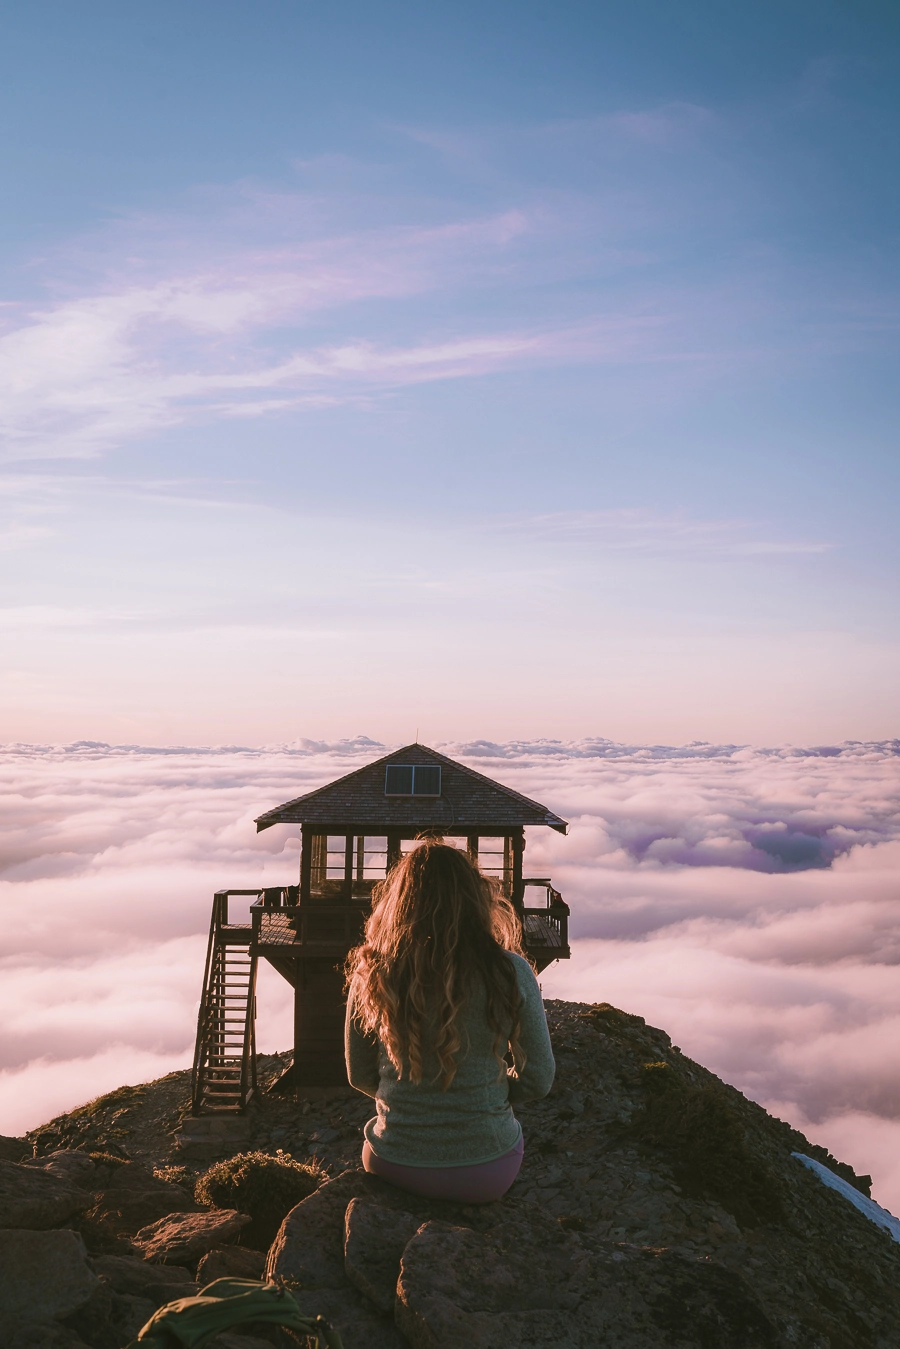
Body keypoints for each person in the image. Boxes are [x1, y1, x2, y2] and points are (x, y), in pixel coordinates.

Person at [343, 839, 555, 1203]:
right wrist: (486, 1089)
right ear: (476, 899)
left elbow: (359, 1075)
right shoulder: (510, 970)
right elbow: (539, 1078)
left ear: (398, 901)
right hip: (485, 1171)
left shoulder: (373, 971)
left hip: (393, 1163)